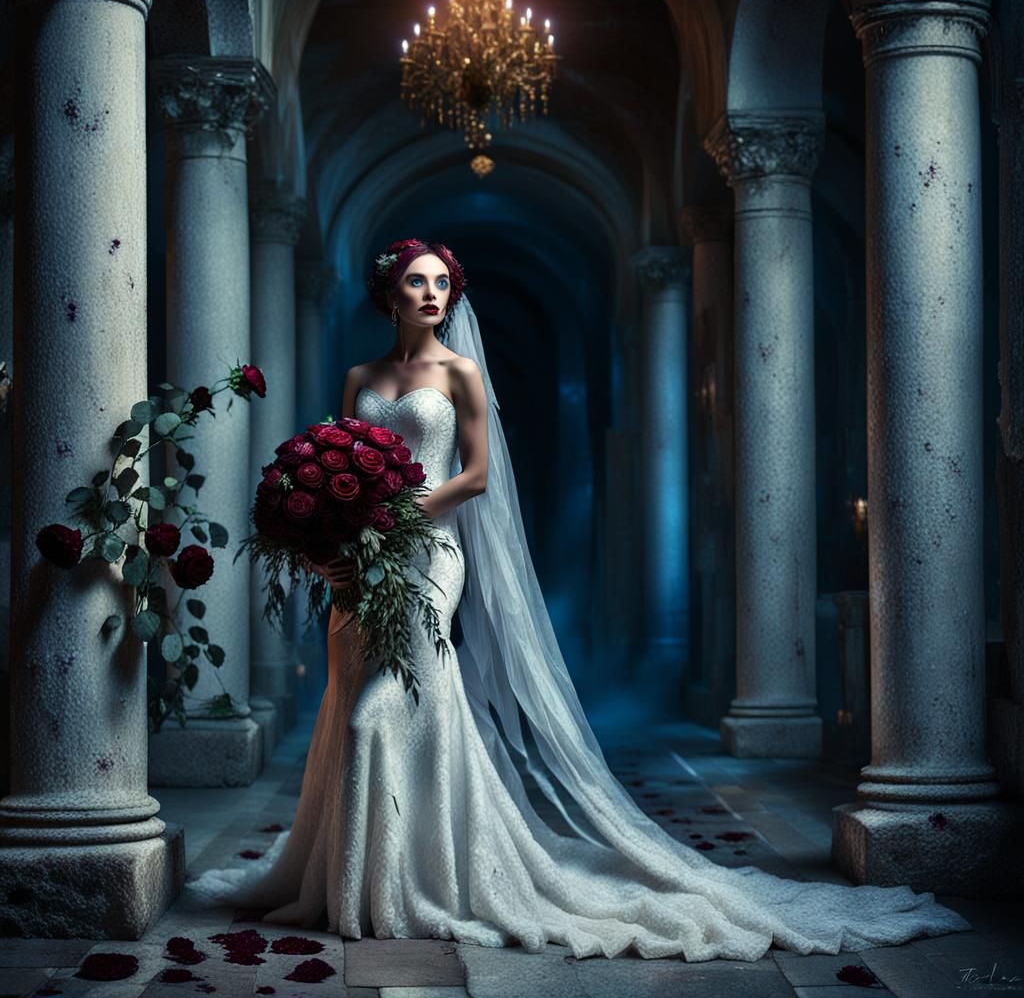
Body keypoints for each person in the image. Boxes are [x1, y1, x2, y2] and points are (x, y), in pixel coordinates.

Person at [184, 239, 972, 960]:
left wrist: (393, 514)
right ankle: (369, 879)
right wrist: (331, 534)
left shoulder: (460, 374)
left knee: (384, 707)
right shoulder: (361, 379)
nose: (431, 295)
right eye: (415, 283)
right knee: (357, 702)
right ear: (389, 295)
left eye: (442, 284)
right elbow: (336, 461)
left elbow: (476, 477)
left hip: (430, 557)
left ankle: (408, 881)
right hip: (356, 569)